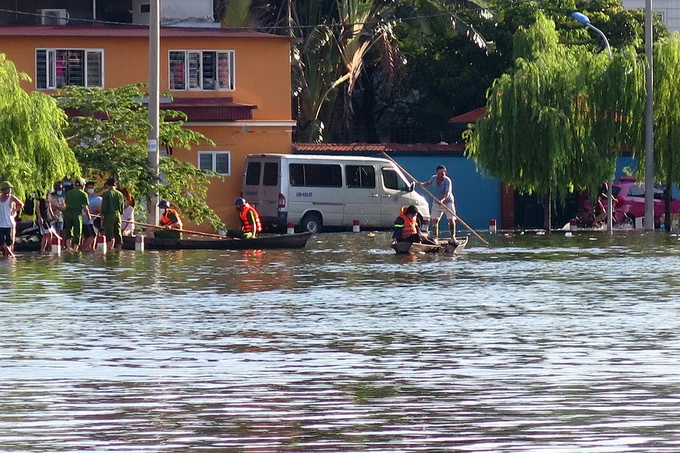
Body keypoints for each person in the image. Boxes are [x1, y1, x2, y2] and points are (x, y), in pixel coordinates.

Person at [418, 165, 456, 239]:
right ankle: (435, 237)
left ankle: (452, 237)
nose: (440, 175)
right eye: (439, 173)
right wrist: (422, 184)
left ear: (445, 173)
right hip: (436, 201)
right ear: (436, 173)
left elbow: (447, 193)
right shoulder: (433, 178)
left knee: (451, 219)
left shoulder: (447, 181)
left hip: (448, 202)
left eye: (442, 173)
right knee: (434, 220)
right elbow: (429, 182)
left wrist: (442, 200)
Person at [62, 178, 91, 251]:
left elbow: (65, 203)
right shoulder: (83, 194)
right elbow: (85, 207)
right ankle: (75, 249)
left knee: (68, 230)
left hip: (67, 214)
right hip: (77, 214)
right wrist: (88, 215)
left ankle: (68, 247)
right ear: (82, 185)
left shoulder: (69, 192)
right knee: (77, 232)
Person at [0, 181, 24, 258]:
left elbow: (21, 204)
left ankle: (8, 257)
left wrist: (14, 210)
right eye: (7, 189)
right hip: (1, 224)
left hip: (9, 223)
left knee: (9, 243)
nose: (9, 190)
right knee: (1, 242)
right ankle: (12, 256)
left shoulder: (11, 197)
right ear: (3, 189)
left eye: (10, 189)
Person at [100, 178, 125, 251]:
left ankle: (109, 250)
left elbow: (104, 207)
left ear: (107, 185)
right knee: (118, 232)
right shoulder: (120, 194)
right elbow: (122, 207)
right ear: (115, 184)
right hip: (118, 215)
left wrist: (102, 218)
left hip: (109, 215)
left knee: (109, 232)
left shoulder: (106, 193)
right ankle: (119, 249)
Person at [81, 181, 102, 251]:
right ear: (86, 189)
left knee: (93, 236)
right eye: (89, 188)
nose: (91, 189)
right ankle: (82, 249)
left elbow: (99, 210)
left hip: (91, 221)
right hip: (85, 220)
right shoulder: (83, 196)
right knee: (91, 236)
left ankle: (91, 249)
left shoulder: (97, 199)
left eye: (92, 188)